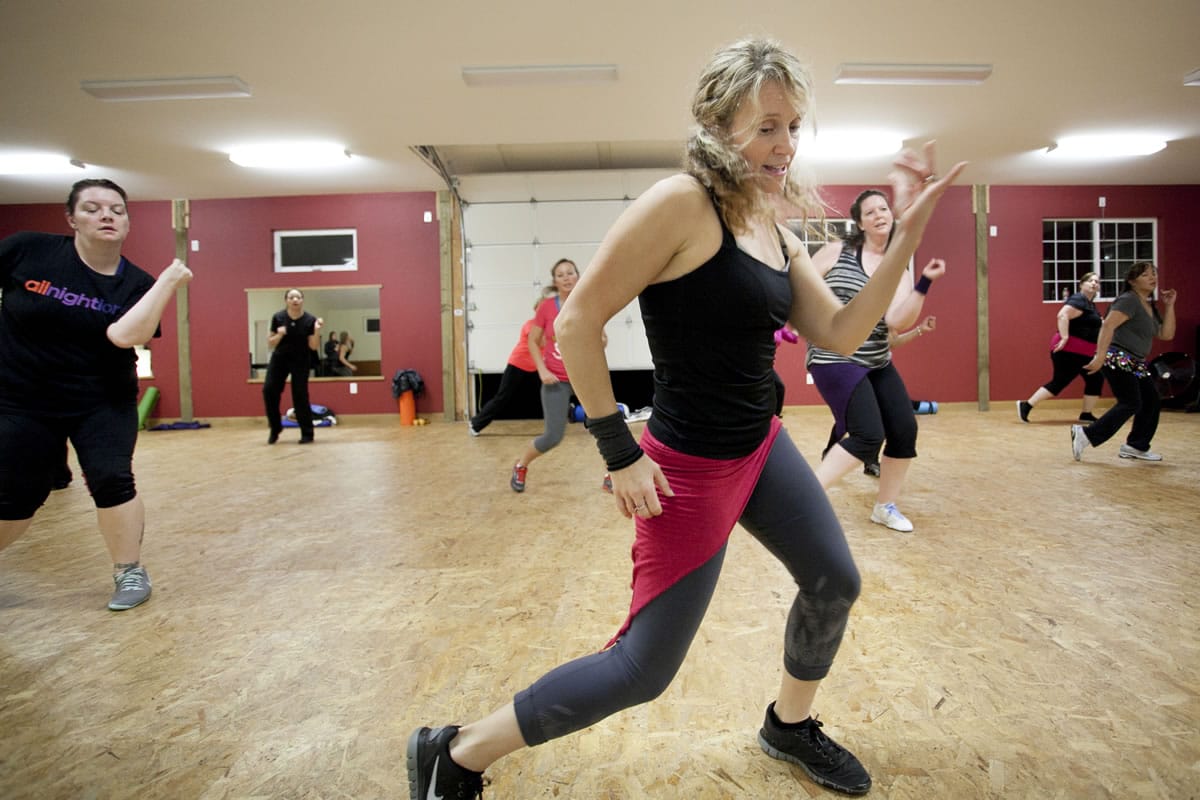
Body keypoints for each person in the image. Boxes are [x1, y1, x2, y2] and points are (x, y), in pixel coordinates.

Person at [407, 37, 965, 798]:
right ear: (717, 122)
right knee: (643, 669)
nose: (784, 144)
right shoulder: (680, 204)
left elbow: (840, 331)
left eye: (794, 126)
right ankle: (457, 750)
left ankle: (789, 726)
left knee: (834, 580)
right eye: (766, 124)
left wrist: (905, 237)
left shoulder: (771, 224)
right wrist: (619, 452)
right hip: (688, 469)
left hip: (760, 449)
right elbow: (577, 325)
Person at [0, 178, 193, 610]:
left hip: (102, 400)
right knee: (16, 497)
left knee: (112, 478)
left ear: (127, 222)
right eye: (92, 208)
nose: (106, 215)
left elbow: (126, 336)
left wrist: (167, 281)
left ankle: (129, 571)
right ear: (71, 218)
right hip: (22, 399)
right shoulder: (28, 250)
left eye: (116, 209)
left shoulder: (137, 284)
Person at [806, 189, 946, 533]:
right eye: (870, 212)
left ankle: (885, 507)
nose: (879, 215)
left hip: (876, 358)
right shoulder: (838, 251)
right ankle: (803, 501)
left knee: (903, 430)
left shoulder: (897, 264)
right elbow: (800, 284)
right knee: (868, 435)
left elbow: (898, 320)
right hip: (833, 354)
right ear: (860, 223)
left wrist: (924, 282)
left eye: (883, 209)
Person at [1071, 262, 1177, 462]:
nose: (1152, 278)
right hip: (1118, 357)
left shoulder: (1148, 305)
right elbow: (1108, 326)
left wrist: (1170, 305)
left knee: (1151, 402)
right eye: (1146, 275)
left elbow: (1166, 334)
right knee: (1131, 402)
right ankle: (1087, 435)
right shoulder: (1129, 300)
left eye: (1154, 273)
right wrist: (1100, 356)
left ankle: (1135, 446)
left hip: (1136, 362)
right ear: (1132, 281)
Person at [822, 314, 938, 478]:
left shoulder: (887, 313)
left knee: (881, 418)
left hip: (878, 368)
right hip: (849, 367)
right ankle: (829, 452)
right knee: (849, 422)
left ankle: (871, 462)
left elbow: (891, 343)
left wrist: (919, 330)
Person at [508, 258, 580, 492]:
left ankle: (613, 473)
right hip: (556, 380)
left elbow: (601, 338)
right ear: (555, 281)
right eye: (561, 275)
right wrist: (542, 369)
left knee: (606, 425)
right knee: (553, 437)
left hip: (584, 378)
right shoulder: (547, 307)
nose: (567, 277)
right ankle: (521, 465)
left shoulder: (587, 301)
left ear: (578, 276)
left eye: (570, 273)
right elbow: (532, 340)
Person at [1018, 272, 1105, 423]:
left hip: (1082, 352)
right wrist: (1065, 337)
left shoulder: (1090, 305)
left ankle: (1086, 414)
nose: (1093, 283)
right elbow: (1062, 315)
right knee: (1060, 382)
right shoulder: (1078, 299)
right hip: (1068, 350)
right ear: (1081, 284)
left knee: (1095, 379)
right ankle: (1026, 405)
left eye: (1096, 281)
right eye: (1090, 281)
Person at [468, 289, 555, 436]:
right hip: (517, 364)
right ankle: (476, 424)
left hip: (535, 367)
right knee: (502, 397)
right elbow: (541, 342)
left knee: (553, 392)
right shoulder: (531, 325)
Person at [262, 288, 322, 444]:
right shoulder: (278, 317)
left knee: (300, 394)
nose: (295, 300)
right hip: (280, 358)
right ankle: (275, 428)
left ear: (302, 300)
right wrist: (280, 334)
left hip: (301, 359)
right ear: (286, 300)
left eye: (298, 297)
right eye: (291, 297)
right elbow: (270, 342)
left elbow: (314, 346)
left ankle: (307, 433)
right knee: (269, 389)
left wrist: (316, 330)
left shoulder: (309, 320)